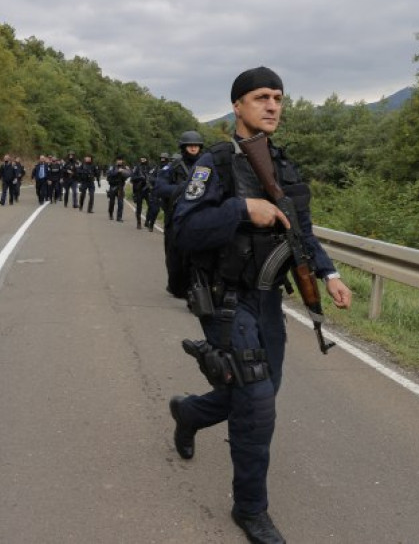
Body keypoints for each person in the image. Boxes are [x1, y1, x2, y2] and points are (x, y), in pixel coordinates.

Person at [167, 66, 352, 544]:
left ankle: (189, 412)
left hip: (269, 299)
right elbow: (184, 230)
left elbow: (301, 232)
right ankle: (250, 509)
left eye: (279, 97)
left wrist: (329, 274)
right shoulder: (215, 163)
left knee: (258, 393)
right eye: (261, 97)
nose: (273, 106)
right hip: (225, 300)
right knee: (257, 404)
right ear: (238, 106)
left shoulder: (284, 167)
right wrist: (240, 209)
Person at [156, 134, 203, 297]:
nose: (193, 148)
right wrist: (181, 189)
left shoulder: (205, 166)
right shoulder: (172, 167)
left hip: (199, 216)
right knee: (174, 256)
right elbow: (160, 187)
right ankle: (176, 286)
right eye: (190, 145)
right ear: (183, 147)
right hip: (175, 217)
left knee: (198, 255)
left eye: (196, 146)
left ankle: (195, 286)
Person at [130, 156, 154, 229]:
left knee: (151, 206)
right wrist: (140, 178)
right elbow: (132, 178)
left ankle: (147, 221)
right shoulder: (137, 168)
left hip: (148, 190)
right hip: (139, 190)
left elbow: (154, 178)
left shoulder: (150, 168)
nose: (143, 160)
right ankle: (139, 223)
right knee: (139, 207)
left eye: (144, 159)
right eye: (141, 159)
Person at [105, 155, 131, 222]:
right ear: (116, 161)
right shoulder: (112, 167)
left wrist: (123, 171)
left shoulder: (125, 167)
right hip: (113, 186)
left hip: (120, 187)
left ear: (122, 161)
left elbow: (129, 174)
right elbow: (109, 174)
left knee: (120, 203)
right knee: (112, 202)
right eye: (118, 160)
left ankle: (119, 217)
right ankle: (110, 214)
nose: (119, 161)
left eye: (121, 160)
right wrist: (117, 171)